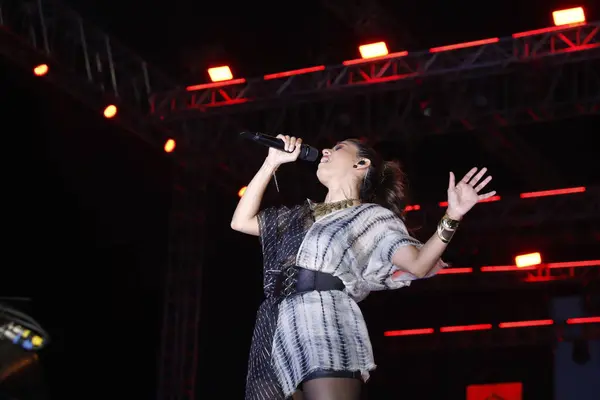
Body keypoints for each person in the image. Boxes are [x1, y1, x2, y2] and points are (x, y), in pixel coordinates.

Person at [231, 135, 495, 400]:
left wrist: (453, 215)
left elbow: (418, 264)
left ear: (361, 164)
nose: (325, 150)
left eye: (338, 147)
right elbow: (241, 221)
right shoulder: (299, 216)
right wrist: (271, 163)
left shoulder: (372, 218)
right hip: (275, 323)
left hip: (323, 318)